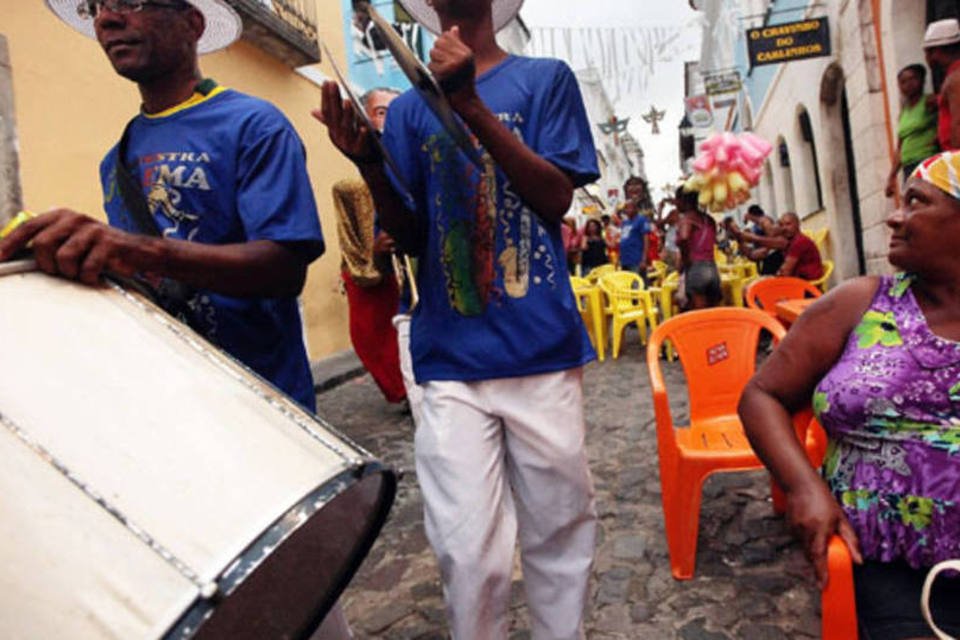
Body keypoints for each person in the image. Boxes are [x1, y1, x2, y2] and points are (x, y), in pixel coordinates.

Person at [0, 1, 349, 637]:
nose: (107, 19)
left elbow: (283, 266)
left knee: (304, 595)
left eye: (129, 2)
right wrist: (82, 265)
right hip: (181, 415)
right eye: (96, 7)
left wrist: (134, 248)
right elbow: (154, 284)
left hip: (269, 412)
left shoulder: (254, 124)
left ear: (191, 23)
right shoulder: (119, 159)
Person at [316, 0, 599, 638]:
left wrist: (468, 102)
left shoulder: (545, 78)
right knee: (465, 550)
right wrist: (368, 160)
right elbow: (413, 236)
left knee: (560, 531)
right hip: (448, 356)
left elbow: (555, 199)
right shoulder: (410, 110)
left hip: (540, 351)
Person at [738, 151, 960, 639]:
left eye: (917, 203)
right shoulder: (860, 302)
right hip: (889, 564)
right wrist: (804, 486)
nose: (895, 216)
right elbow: (761, 395)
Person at [328, 88, 407, 405]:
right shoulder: (350, 187)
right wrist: (369, 262)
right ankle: (402, 392)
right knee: (372, 338)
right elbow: (351, 235)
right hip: (374, 276)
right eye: (382, 112)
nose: (389, 119)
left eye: (396, 111)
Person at [885, 64, 939, 198]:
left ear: (922, 80)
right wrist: (891, 177)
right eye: (903, 82)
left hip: (927, 161)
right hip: (909, 166)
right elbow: (900, 147)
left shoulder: (930, 102)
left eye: (912, 79)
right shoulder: (904, 112)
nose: (908, 84)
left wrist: (937, 137)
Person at [676, 187, 721, 309]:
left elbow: (684, 237)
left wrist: (686, 259)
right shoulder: (709, 219)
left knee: (700, 315)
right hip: (712, 267)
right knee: (713, 312)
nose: (676, 204)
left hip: (696, 269)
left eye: (677, 200)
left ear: (683, 201)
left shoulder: (686, 219)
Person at [924, 18, 960, 152]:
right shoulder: (952, 76)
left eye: (927, 51)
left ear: (937, 51)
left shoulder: (956, 78)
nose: (926, 57)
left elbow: (958, 123)